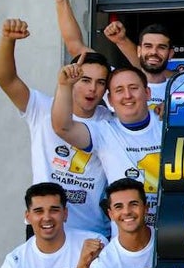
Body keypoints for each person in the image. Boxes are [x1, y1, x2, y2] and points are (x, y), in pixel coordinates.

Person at [0, 19, 112, 236]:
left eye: (100, 82)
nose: (92, 89)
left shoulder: (110, 120)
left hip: (94, 231)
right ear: (71, 76)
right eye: (85, 80)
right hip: (45, 227)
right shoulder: (41, 107)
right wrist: (7, 40)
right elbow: (6, 79)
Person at [51, 64, 162, 225]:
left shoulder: (168, 122)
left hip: (171, 232)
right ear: (110, 100)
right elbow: (63, 127)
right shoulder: (104, 131)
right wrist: (64, 86)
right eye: (119, 90)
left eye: (133, 88)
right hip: (126, 240)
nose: (127, 95)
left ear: (147, 92)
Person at [103, 22, 174, 116]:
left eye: (161, 47)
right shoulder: (116, 81)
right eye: (148, 46)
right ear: (139, 51)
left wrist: (173, 105)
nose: (153, 52)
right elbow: (78, 47)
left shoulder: (182, 87)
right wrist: (121, 40)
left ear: (170, 54)